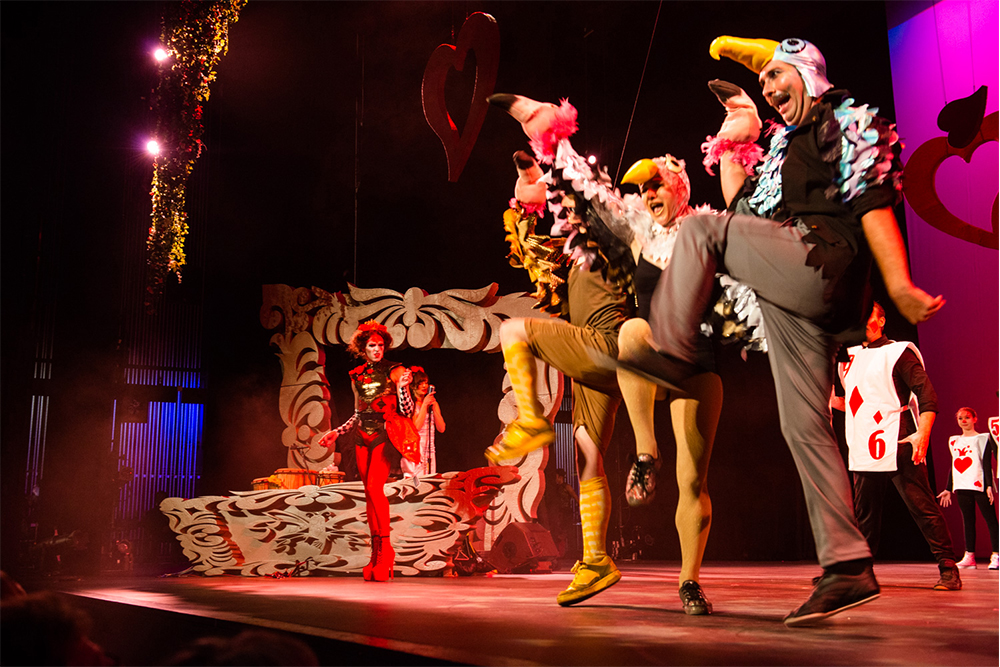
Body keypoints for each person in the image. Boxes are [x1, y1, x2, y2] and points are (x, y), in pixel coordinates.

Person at [632, 36, 944, 626]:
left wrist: (899, 284)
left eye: (778, 75)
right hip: (791, 295)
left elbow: (873, 200)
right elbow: (743, 215)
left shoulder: (838, 119)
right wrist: (738, 137)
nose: (772, 87)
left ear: (809, 72)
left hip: (821, 263)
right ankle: (847, 566)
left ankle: (667, 352)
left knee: (699, 232)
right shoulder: (783, 148)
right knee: (802, 425)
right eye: (765, 83)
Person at [832, 302, 961, 590]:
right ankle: (860, 573)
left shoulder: (898, 352)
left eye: (867, 315)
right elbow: (858, 403)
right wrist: (828, 399)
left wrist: (922, 434)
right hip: (864, 444)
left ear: (881, 321)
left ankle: (948, 567)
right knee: (864, 514)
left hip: (899, 440)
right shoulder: (849, 358)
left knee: (923, 508)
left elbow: (927, 396)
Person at [318, 321, 419, 581]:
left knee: (375, 489)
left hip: (383, 434)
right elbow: (358, 413)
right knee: (368, 495)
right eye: (372, 345)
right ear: (363, 348)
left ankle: (386, 551)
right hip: (361, 436)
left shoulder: (395, 370)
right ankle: (375, 555)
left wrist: (402, 387)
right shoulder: (357, 375)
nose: (377, 349)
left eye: (381, 345)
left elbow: (407, 410)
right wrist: (337, 432)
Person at [937, 407, 999, 570]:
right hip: (962, 485)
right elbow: (954, 465)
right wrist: (948, 488)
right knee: (968, 521)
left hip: (979, 484)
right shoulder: (954, 441)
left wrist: (989, 485)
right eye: (960, 418)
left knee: (991, 520)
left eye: (967, 417)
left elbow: (986, 463)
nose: (964, 421)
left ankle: (996, 554)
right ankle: (969, 555)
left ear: (974, 419)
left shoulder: (983, 438)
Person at [401, 367, 446, 483]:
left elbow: (441, 428)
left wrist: (434, 407)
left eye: (426, 383)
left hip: (429, 449)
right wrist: (425, 405)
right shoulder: (411, 404)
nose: (424, 386)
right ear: (413, 386)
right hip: (415, 449)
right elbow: (416, 428)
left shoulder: (431, 404)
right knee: (416, 483)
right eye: (420, 383)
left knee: (429, 483)